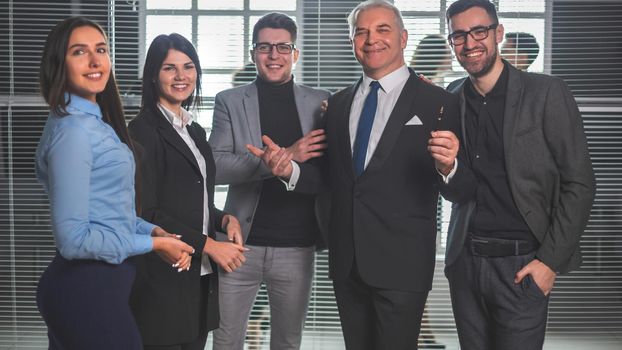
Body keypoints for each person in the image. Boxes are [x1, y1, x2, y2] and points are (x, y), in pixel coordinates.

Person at [249, 1, 475, 349]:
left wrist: (449, 167)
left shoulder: (438, 102)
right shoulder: (337, 104)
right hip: (348, 263)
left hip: (403, 266)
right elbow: (328, 179)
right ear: (352, 41)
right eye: (361, 32)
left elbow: (463, 188)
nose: (371, 40)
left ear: (403, 38)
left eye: (382, 30)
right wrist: (288, 170)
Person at [444, 1, 596, 349]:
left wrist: (548, 263)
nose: (470, 43)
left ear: (498, 33)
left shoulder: (546, 93)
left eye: (479, 31)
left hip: (523, 265)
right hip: (466, 262)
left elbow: (580, 183)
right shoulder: (451, 96)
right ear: (451, 43)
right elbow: (453, 182)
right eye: (459, 35)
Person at [35, 17, 194, 350]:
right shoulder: (74, 132)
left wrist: (152, 231)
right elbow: (74, 239)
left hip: (100, 288)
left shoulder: (95, 122)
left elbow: (107, 210)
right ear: (58, 63)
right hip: (85, 290)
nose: (96, 61)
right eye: (80, 52)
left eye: (101, 50)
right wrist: (155, 246)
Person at [208, 13, 331, 350]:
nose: (273, 55)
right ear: (253, 53)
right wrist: (278, 159)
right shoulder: (230, 102)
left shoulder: (322, 102)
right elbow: (215, 167)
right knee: (226, 341)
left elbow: (328, 175)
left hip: (297, 246)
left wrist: (288, 168)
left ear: (295, 53)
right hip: (238, 246)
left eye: (282, 47)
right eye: (265, 46)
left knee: (287, 343)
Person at [127, 34, 247, 350]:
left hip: (199, 278)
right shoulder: (141, 132)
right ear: (153, 75)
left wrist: (224, 220)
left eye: (188, 67)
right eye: (170, 68)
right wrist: (210, 245)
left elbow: (192, 198)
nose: (181, 76)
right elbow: (146, 211)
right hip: (163, 279)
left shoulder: (193, 130)